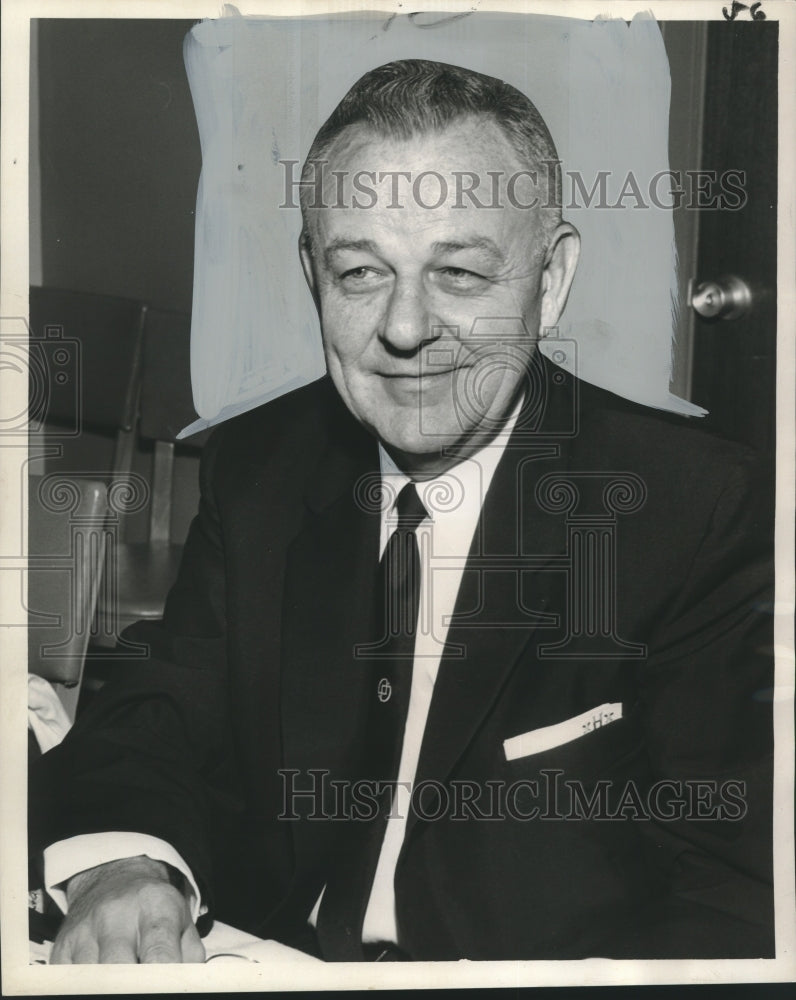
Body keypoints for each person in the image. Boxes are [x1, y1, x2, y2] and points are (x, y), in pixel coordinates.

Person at [30, 59, 774, 963]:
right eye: (360, 273)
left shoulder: (698, 511)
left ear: (551, 279)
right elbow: (161, 710)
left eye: (459, 273)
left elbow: (733, 900)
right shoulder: (262, 467)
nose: (407, 328)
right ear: (313, 274)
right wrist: (126, 868)